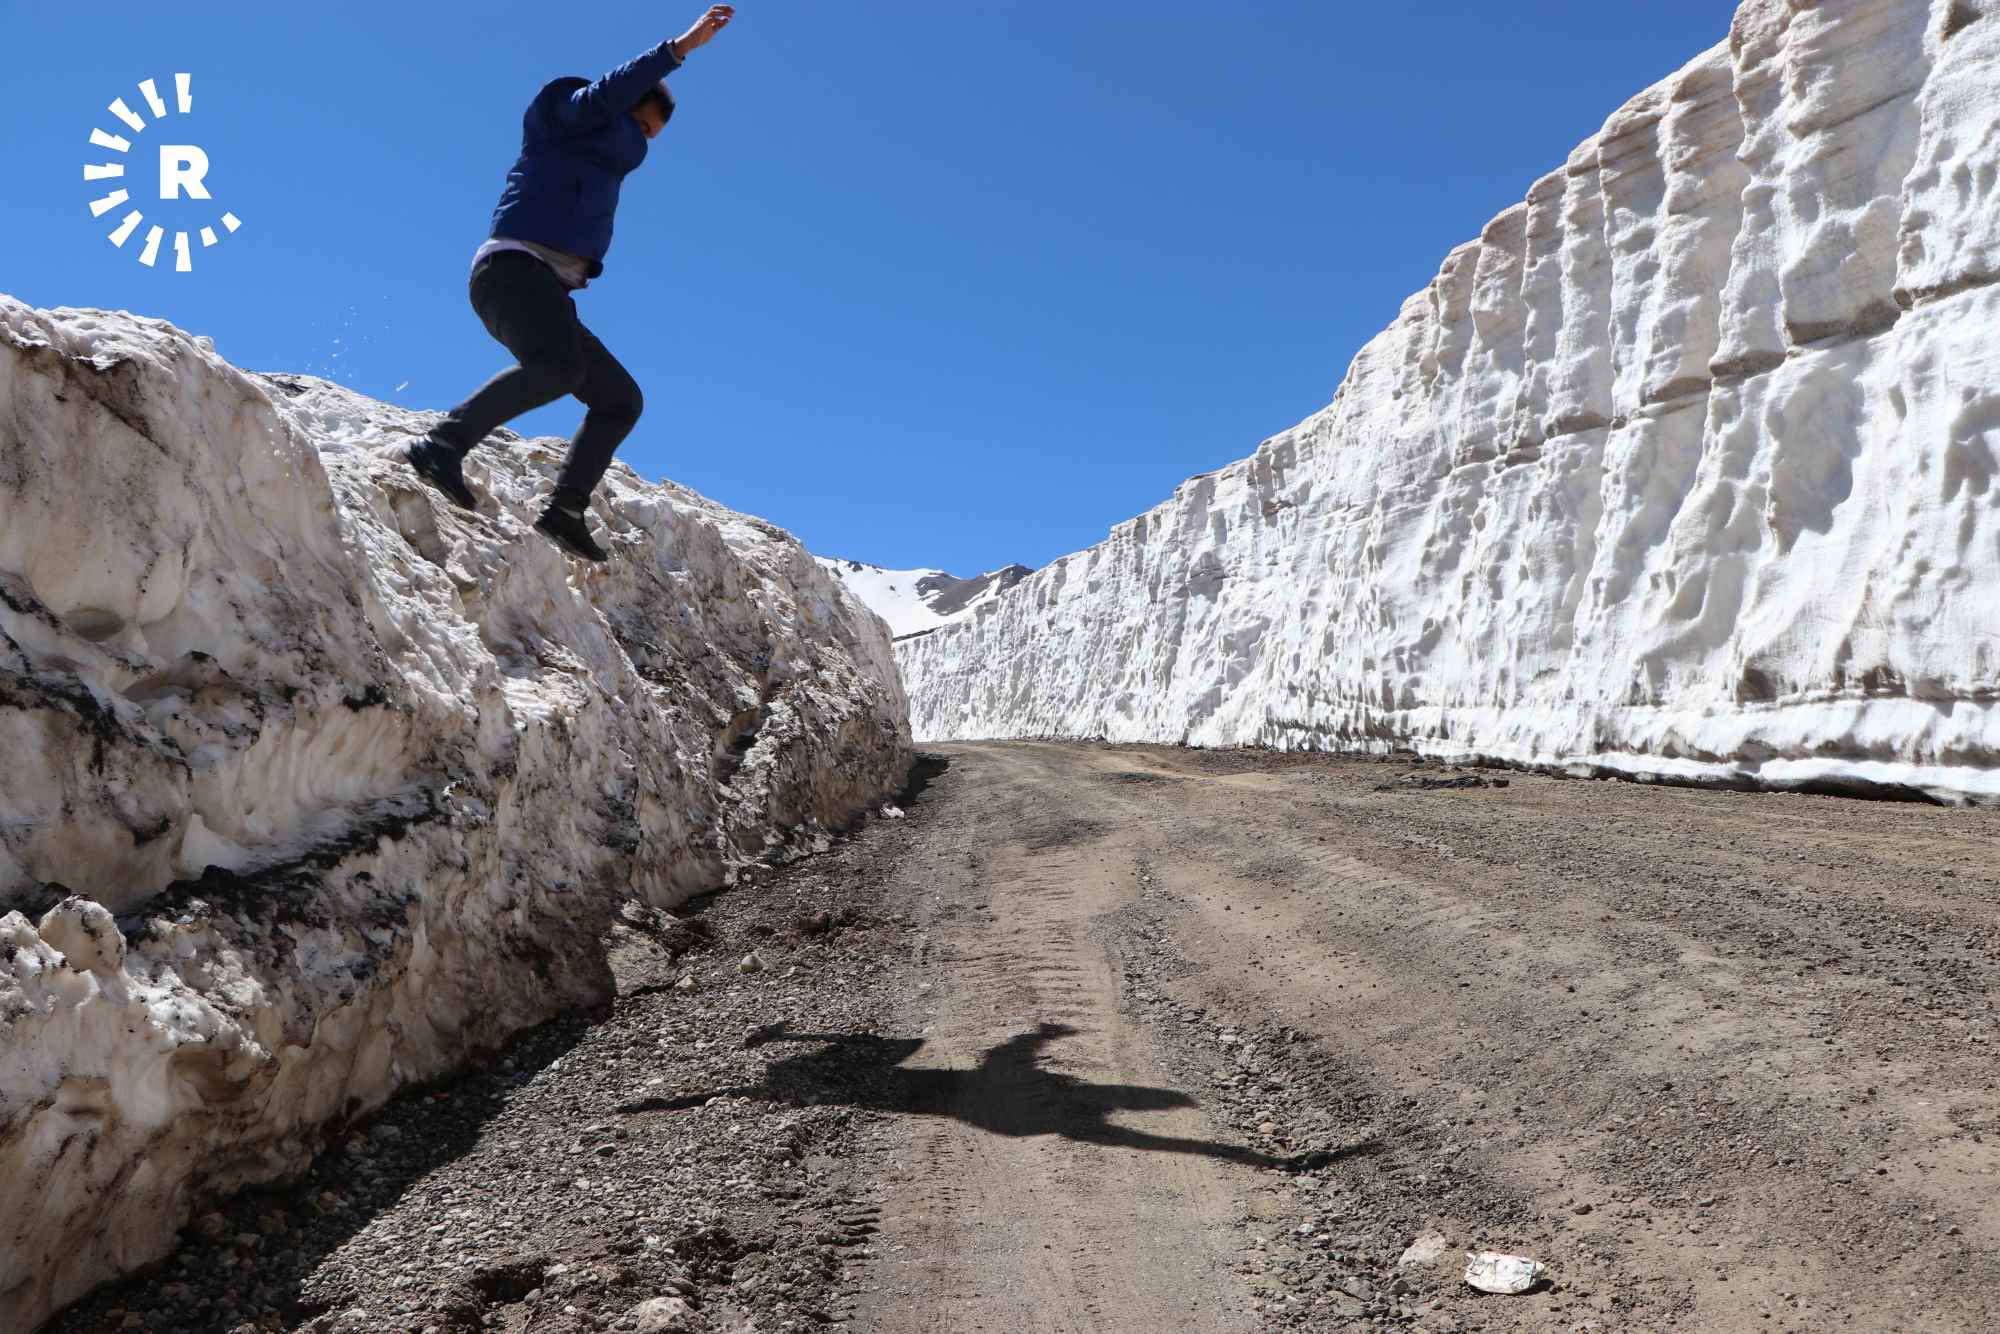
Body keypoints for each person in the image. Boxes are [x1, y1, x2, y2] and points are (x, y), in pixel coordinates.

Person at [405, 5, 736, 561]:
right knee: (559, 368)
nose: (643, 145)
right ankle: (442, 445)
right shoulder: (567, 119)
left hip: (545, 289)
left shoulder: (601, 158)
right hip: (511, 270)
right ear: (623, 109)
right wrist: (678, 50)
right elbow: (607, 94)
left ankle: (564, 511)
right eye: (643, 128)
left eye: (652, 138)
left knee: (621, 400)